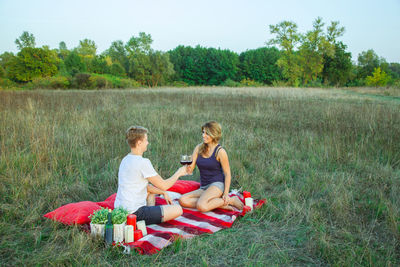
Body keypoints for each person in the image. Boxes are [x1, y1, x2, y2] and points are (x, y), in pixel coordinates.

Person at [114, 126, 187, 225]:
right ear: (139, 143)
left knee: (151, 194)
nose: (147, 143)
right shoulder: (143, 162)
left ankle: (150, 215)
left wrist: (163, 192)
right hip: (134, 213)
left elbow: (143, 186)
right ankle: (143, 221)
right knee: (178, 209)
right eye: (146, 140)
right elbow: (164, 185)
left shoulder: (125, 159)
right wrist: (179, 172)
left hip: (120, 211)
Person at [179, 121, 243, 212]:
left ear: (214, 134)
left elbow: (227, 173)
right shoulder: (198, 148)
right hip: (204, 186)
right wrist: (187, 167)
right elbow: (190, 169)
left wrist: (226, 193)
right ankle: (218, 204)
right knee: (182, 200)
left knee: (201, 206)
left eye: (207, 133)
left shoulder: (220, 152)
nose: (203, 135)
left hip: (217, 185)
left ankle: (231, 200)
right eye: (203, 132)